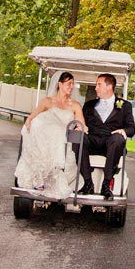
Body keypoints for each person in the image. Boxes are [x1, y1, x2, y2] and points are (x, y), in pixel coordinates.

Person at [14, 71, 86, 199]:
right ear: (59, 84)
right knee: (41, 122)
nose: (71, 87)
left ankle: (52, 174)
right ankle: (40, 176)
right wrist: (29, 124)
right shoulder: (48, 101)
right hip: (46, 135)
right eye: (69, 83)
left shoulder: (75, 105)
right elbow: (33, 117)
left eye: (73, 84)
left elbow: (81, 122)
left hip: (62, 138)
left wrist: (80, 126)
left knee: (58, 131)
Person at [77, 73, 135, 199]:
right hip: (92, 140)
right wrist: (80, 127)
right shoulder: (89, 105)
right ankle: (88, 183)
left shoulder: (125, 106)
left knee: (118, 139)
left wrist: (123, 131)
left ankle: (106, 184)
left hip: (111, 143)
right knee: (77, 138)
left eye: (99, 84)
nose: (96, 88)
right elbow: (82, 122)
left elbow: (131, 129)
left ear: (109, 87)